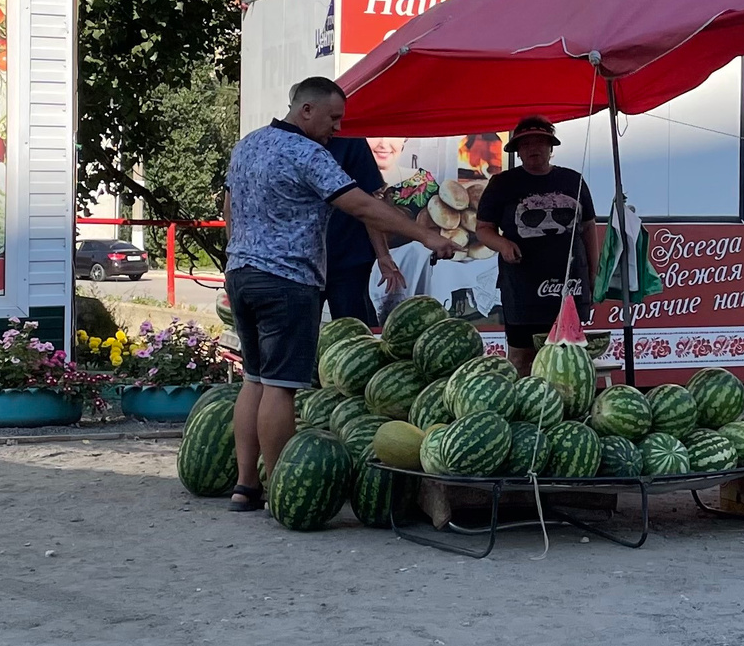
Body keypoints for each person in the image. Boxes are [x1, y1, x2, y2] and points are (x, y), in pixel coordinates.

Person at [222, 77, 457, 512]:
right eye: (333, 118)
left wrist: (240, 252)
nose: (338, 128)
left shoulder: (248, 145)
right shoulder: (308, 153)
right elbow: (363, 205)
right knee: (281, 387)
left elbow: (230, 206)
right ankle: (282, 488)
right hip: (287, 280)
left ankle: (245, 486)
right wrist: (423, 236)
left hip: (242, 275)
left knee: (253, 379)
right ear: (305, 111)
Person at [473, 116, 602, 374]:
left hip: (569, 285)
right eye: (527, 143)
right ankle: (522, 406)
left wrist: (593, 273)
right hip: (522, 288)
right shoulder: (502, 184)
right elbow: (483, 229)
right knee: (521, 356)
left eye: (540, 143)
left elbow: (588, 227)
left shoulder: (573, 180)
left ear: (551, 148)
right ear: (518, 151)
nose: (534, 148)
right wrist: (503, 244)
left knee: (568, 356)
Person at [321, 132, 404, 326]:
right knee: (300, 338)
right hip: (301, 264)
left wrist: (383, 255)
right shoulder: (285, 142)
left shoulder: (350, 141)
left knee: (356, 330)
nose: (336, 125)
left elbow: (368, 202)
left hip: (348, 260)